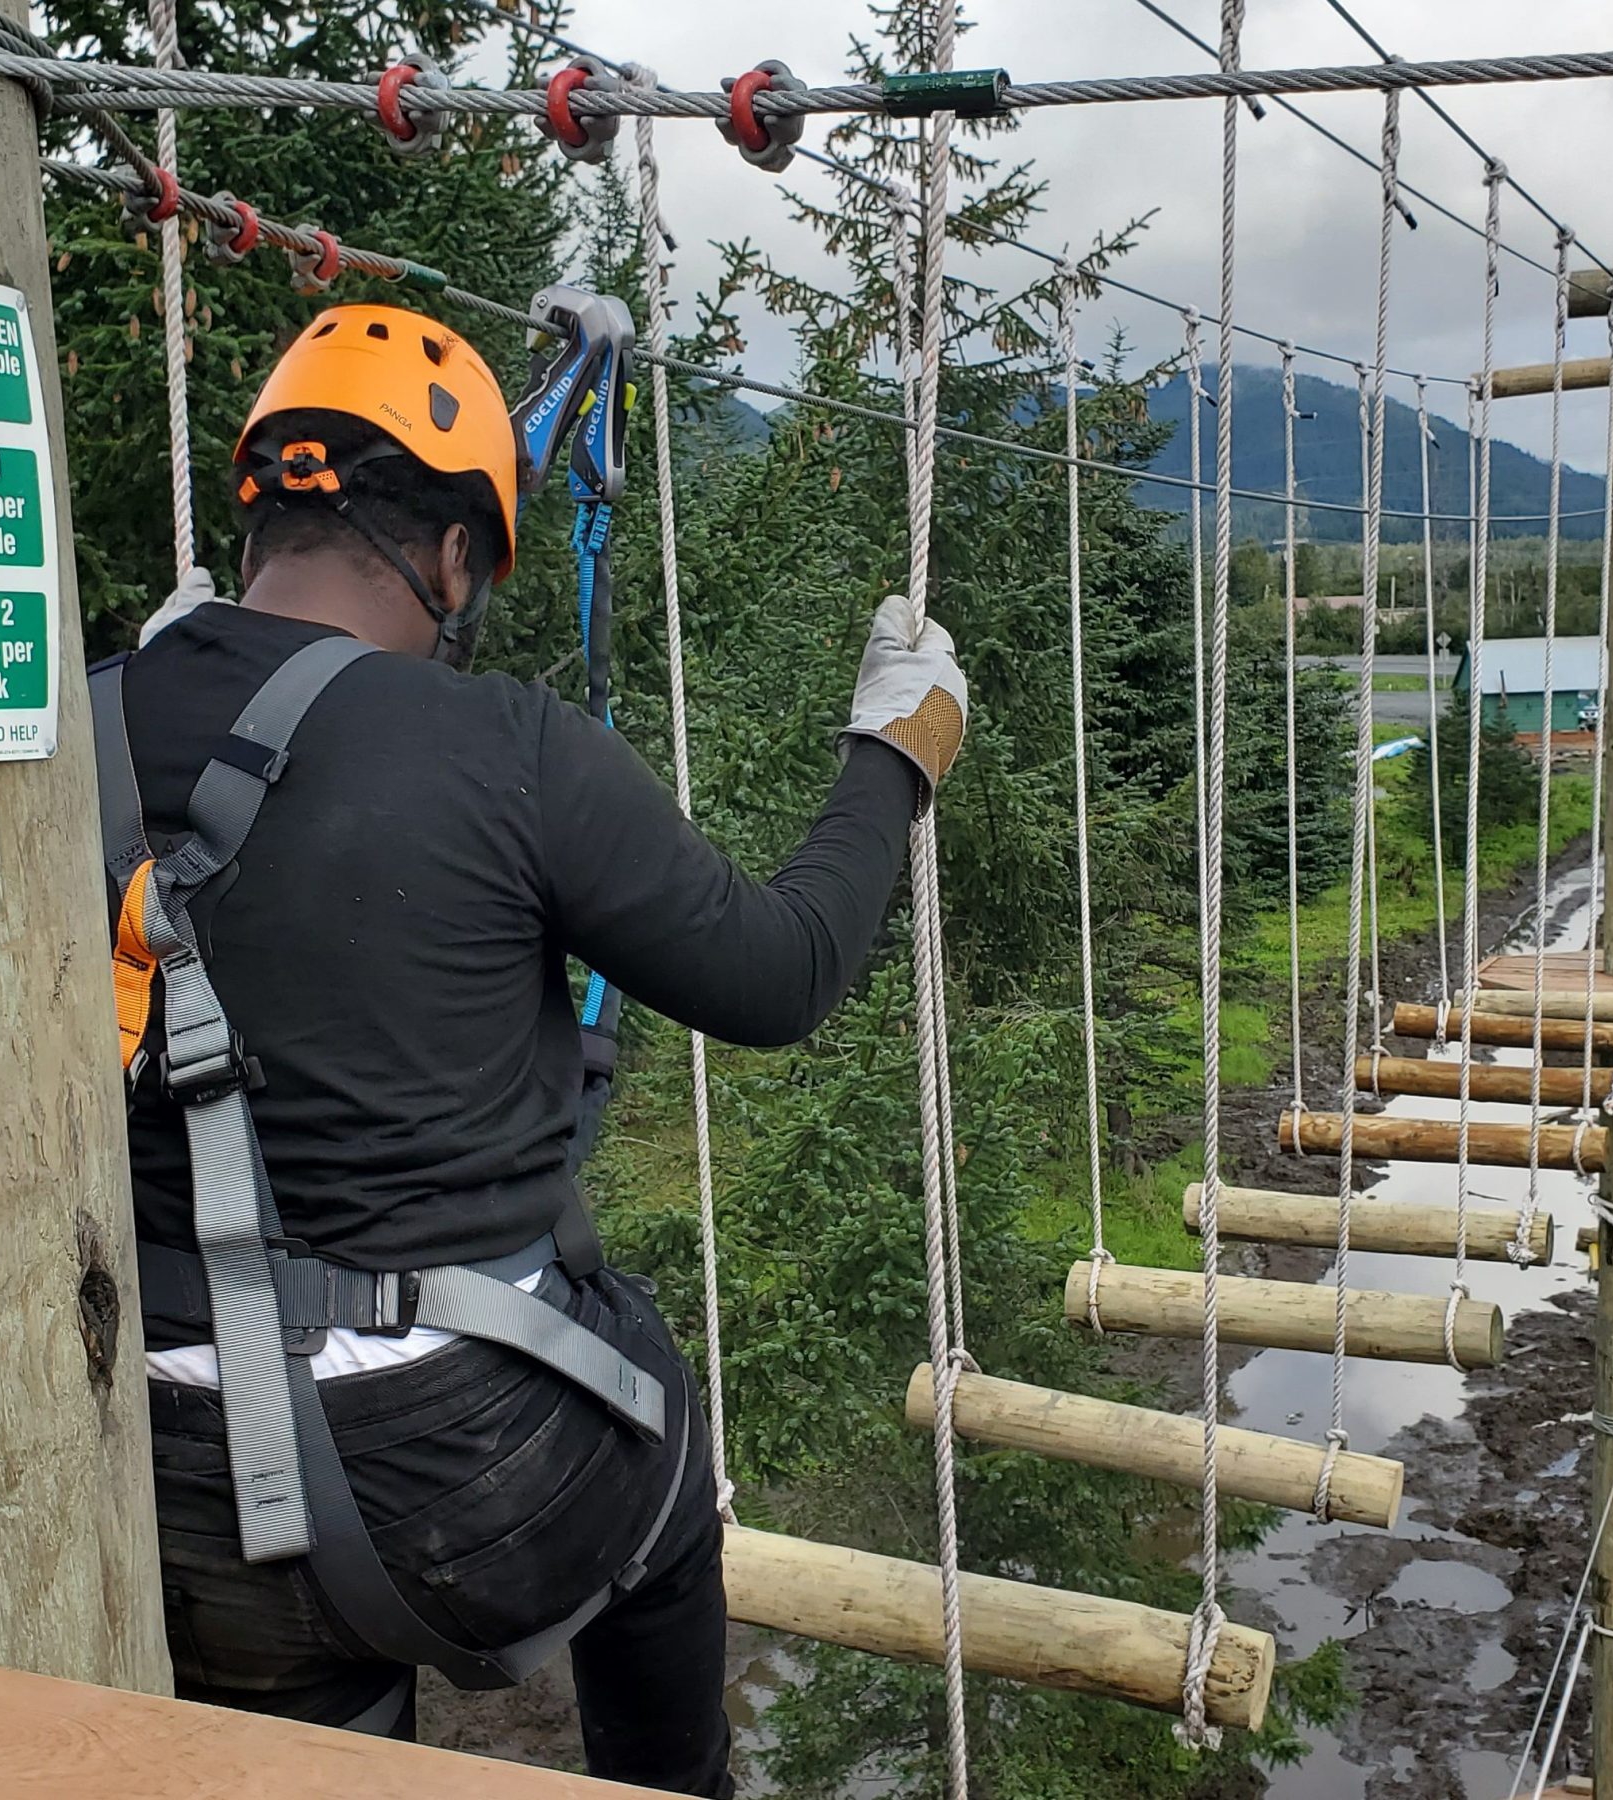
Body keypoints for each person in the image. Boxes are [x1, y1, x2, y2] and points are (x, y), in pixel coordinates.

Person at [103, 304, 967, 1797]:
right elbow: (780, 972)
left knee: (300, 1704)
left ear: (257, 520)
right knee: (656, 1449)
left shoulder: (75, 726)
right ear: (451, 557)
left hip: (156, 1477)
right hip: (474, 1477)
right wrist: (893, 757)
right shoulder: (500, 742)